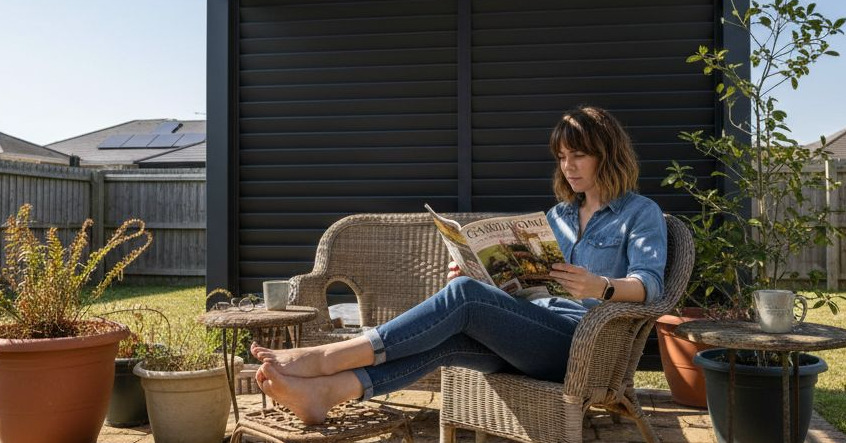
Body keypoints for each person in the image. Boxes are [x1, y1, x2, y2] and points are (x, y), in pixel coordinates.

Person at [253, 106, 669, 423]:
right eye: (561, 157)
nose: (568, 166)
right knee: (450, 336)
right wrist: (482, 273)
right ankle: (327, 393)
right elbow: (533, 287)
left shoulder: (639, 212)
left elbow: (650, 286)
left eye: (579, 155)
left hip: (583, 345)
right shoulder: (557, 216)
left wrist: (600, 286)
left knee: (464, 298)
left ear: (607, 155)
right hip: (532, 332)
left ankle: (327, 357)